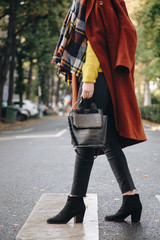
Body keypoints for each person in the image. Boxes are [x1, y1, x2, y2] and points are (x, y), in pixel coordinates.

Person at [47, 0, 147, 224]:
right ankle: (131, 199)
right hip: (104, 78)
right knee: (108, 141)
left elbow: (94, 41)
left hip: (96, 78)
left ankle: (75, 201)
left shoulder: (94, 2)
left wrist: (89, 80)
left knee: (86, 139)